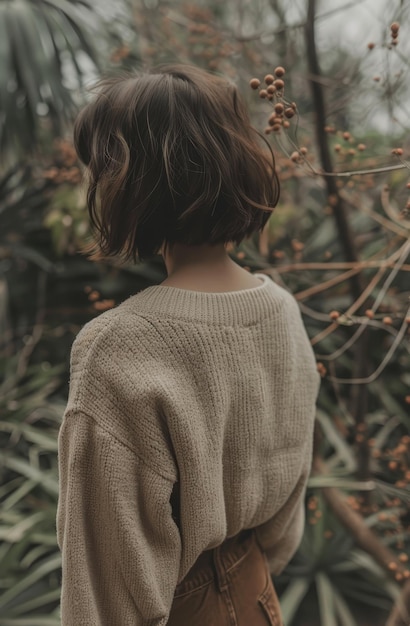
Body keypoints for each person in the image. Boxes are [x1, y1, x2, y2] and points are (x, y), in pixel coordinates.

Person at [57, 64, 320, 626]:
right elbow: (285, 517)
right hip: (258, 593)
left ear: (126, 184)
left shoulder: (118, 346)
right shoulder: (282, 311)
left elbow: (106, 580)